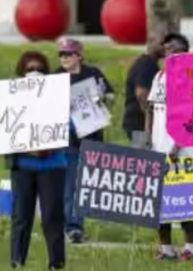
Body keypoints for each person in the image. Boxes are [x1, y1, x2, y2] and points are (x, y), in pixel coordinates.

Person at [7, 51, 66, 269]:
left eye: (39, 69)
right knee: (21, 217)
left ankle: (56, 262)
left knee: (52, 216)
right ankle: (16, 261)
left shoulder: (59, 97)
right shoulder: (10, 99)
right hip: (23, 166)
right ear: (22, 73)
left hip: (53, 165)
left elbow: (69, 126)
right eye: (30, 69)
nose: (34, 73)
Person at [145, 33, 193, 260]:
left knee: (185, 203)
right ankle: (166, 249)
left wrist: (177, 146)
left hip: (185, 151)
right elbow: (150, 109)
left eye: (176, 50)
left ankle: (190, 248)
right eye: (167, 49)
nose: (170, 53)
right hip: (159, 148)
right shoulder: (159, 77)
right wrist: (147, 138)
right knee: (161, 204)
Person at [55, 38, 114, 244]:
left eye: (68, 54)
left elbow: (111, 96)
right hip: (67, 139)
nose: (63, 58)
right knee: (70, 183)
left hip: (91, 136)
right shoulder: (55, 77)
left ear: (79, 56)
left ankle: (76, 222)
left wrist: (103, 98)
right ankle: (73, 226)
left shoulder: (93, 73)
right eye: (61, 54)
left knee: (86, 183)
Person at [123, 31, 165, 146]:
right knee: (144, 159)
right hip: (139, 124)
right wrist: (150, 121)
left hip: (136, 123)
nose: (165, 47)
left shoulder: (148, 63)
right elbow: (141, 93)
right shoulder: (147, 64)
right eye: (162, 43)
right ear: (150, 42)